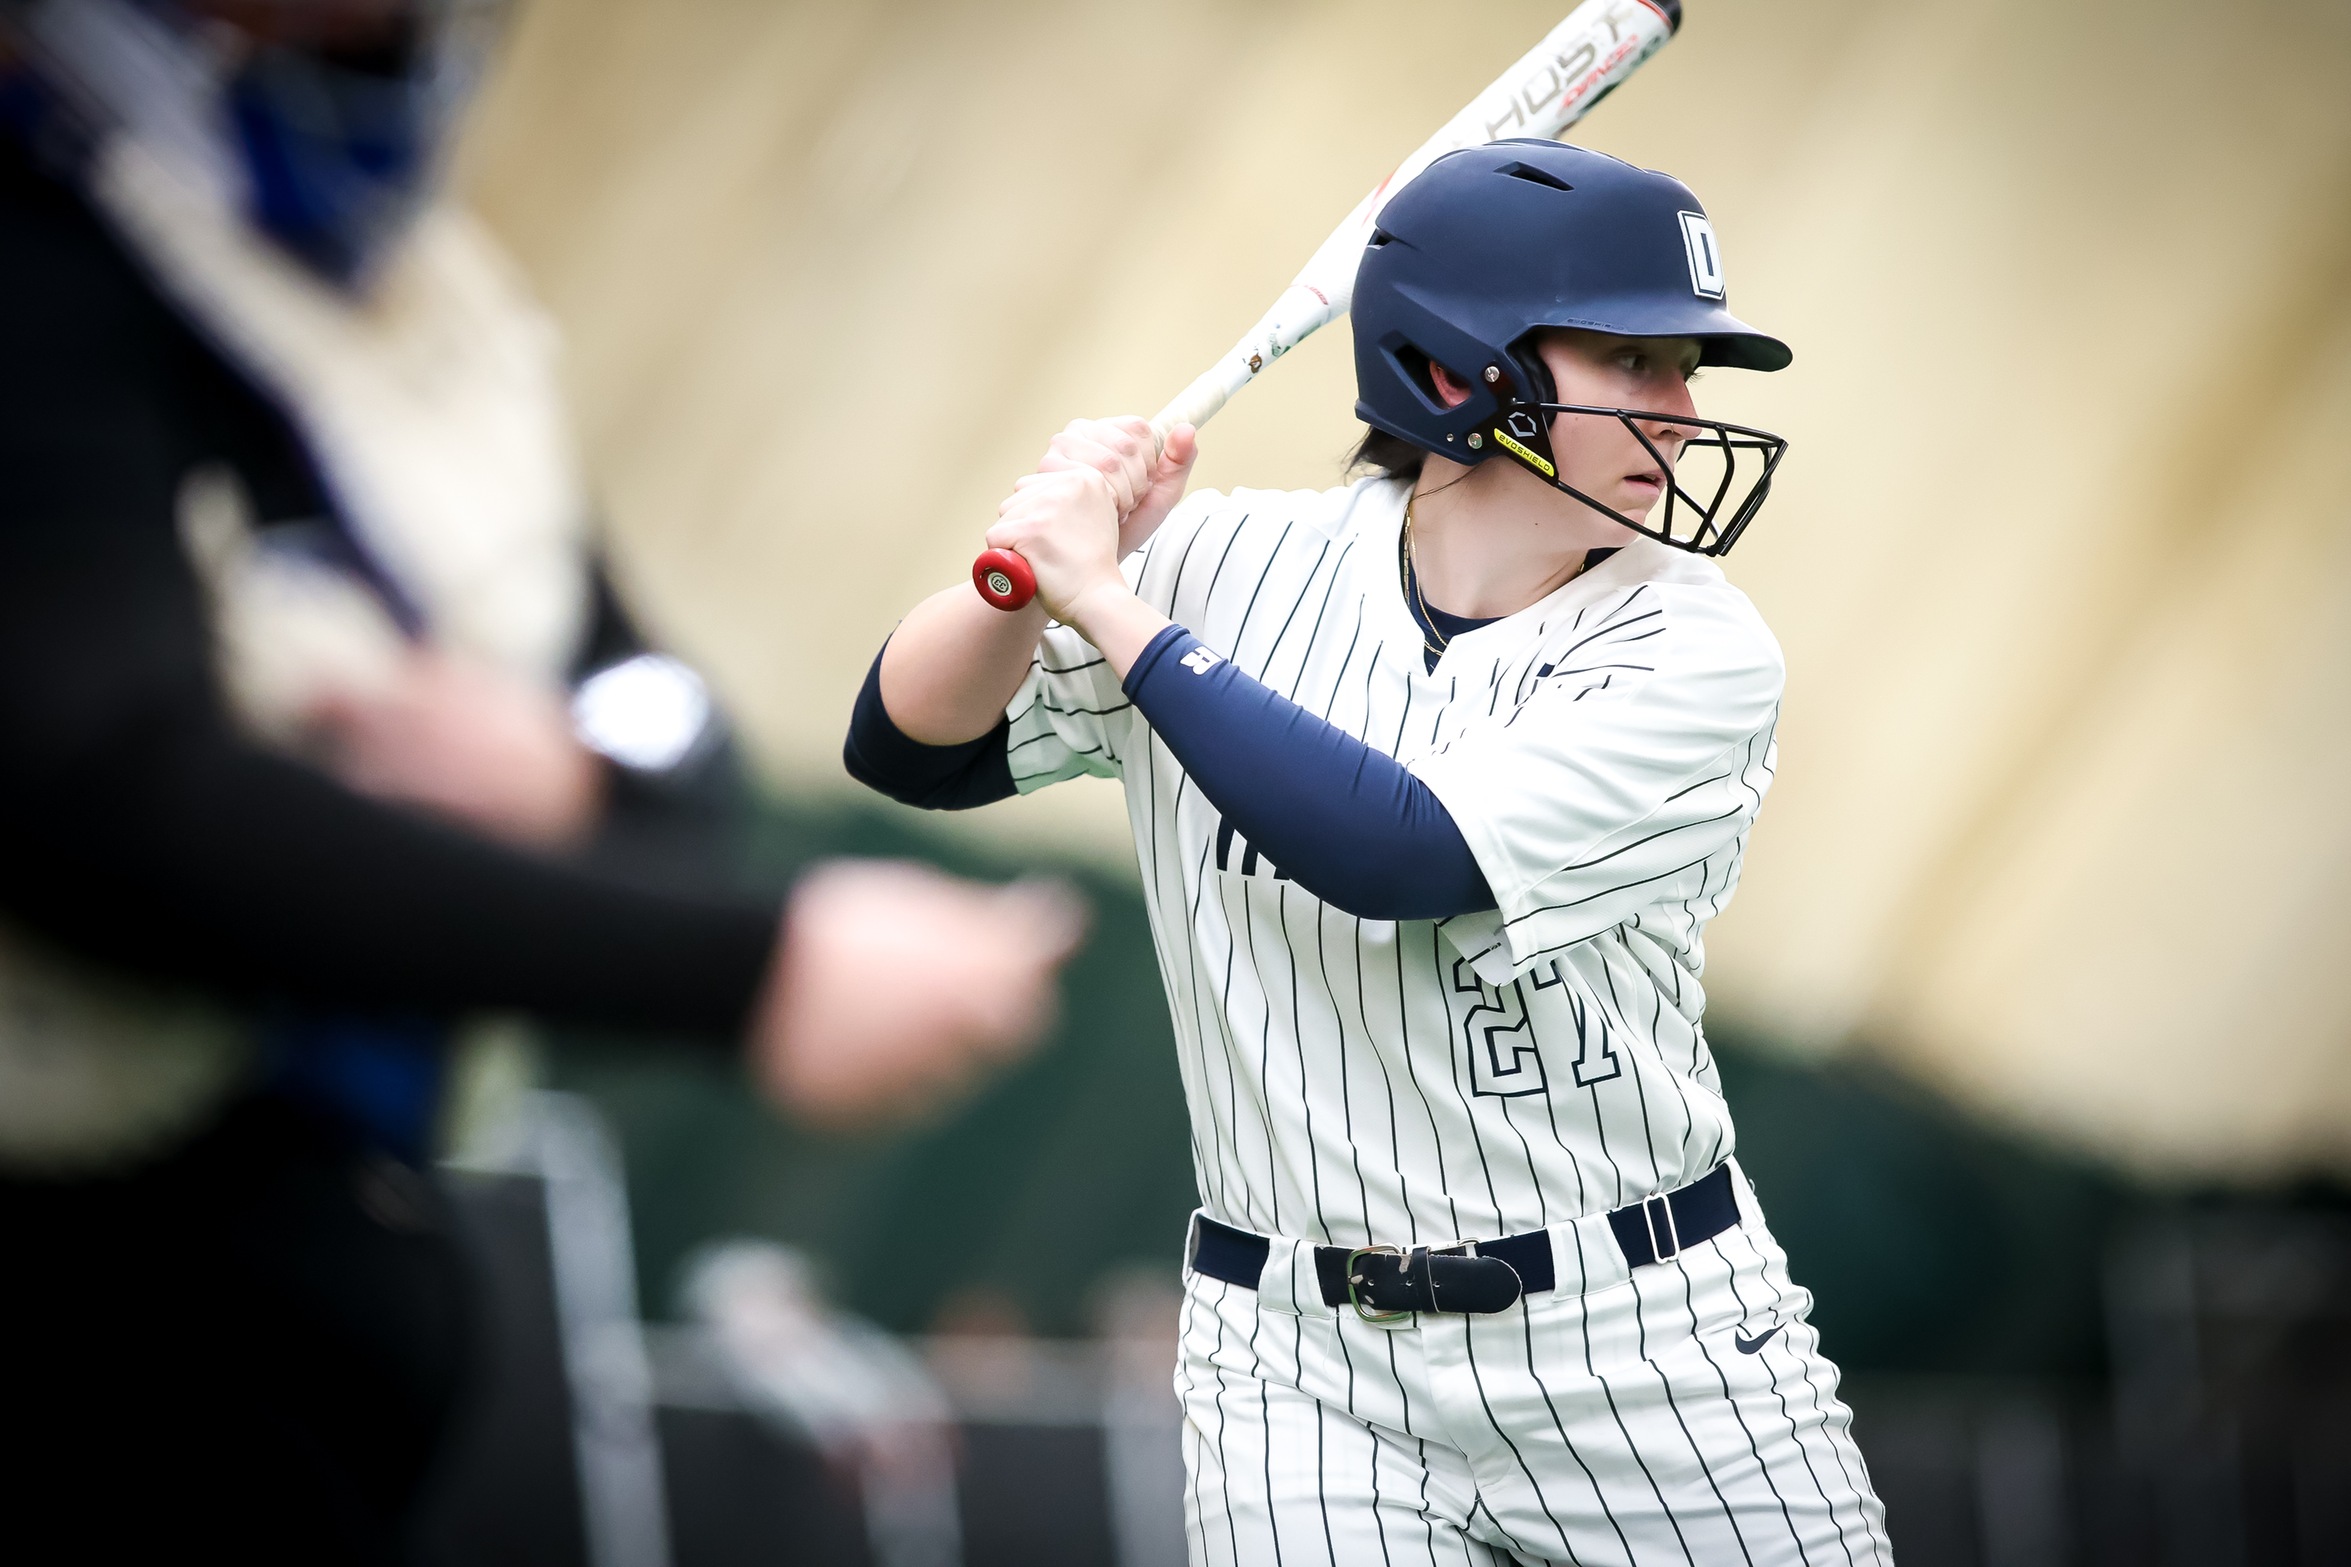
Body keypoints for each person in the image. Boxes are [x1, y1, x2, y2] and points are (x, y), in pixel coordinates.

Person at [0, 1, 1078, 1560]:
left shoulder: (432, 324)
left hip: (305, 1309)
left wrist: (577, 770)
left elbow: (678, 741)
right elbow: (94, 784)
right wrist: (755, 973)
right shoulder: (52, 249)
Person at [849, 140, 1893, 1563]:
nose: (1684, 410)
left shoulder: (1696, 647)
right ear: (1464, 373)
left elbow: (1395, 853)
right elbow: (909, 747)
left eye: (1687, 368)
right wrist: (1031, 578)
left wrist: (1119, 608)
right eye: (1634, 362)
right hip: (1294, 1363)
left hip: (1641, 1338)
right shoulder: (1221, 563)